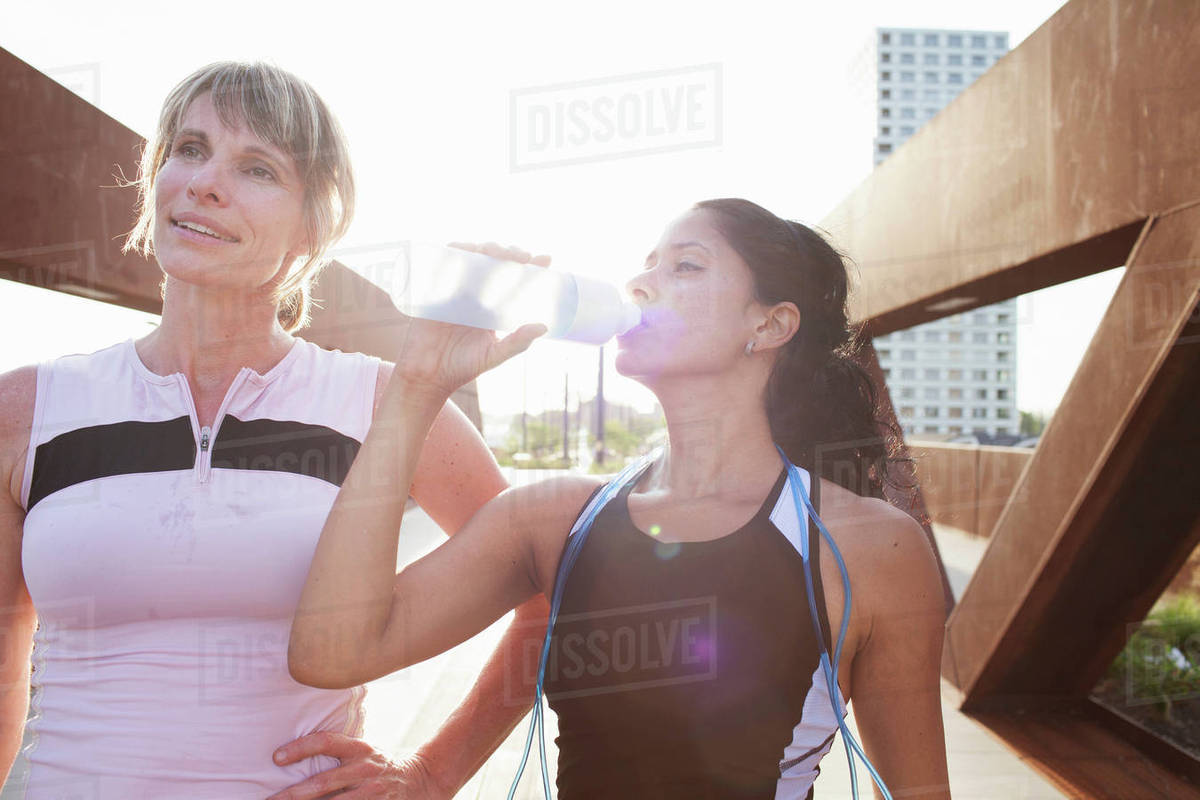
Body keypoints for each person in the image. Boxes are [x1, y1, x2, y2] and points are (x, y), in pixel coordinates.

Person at [0, 61, 547, 798]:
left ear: (314, 225)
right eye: (189, 150)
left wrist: (430, 773)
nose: (204, 182)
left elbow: (546, 591)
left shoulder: (388, 404)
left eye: (257, 168)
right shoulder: (29, 408)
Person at [287, 198, 952, 798]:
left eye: (686, 266)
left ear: (770, 325)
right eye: (646, 266)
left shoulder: (868, 546)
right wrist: (418, 383)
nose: (640, 285)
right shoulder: (551, 519)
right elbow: (331, 652)